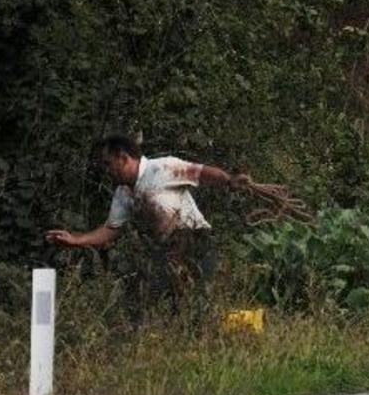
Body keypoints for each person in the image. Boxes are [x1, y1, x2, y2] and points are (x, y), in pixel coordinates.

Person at [45, 135, 250, 316]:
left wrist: (229, 180)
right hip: (167, 249)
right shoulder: (123, 193)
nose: (106, 171)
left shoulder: (162, 167)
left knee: (199, 302)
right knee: (156, 298)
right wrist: (75, 239)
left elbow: (201, 173)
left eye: (108, 164)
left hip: (196, 241)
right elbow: (111, 230)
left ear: (123, 158)